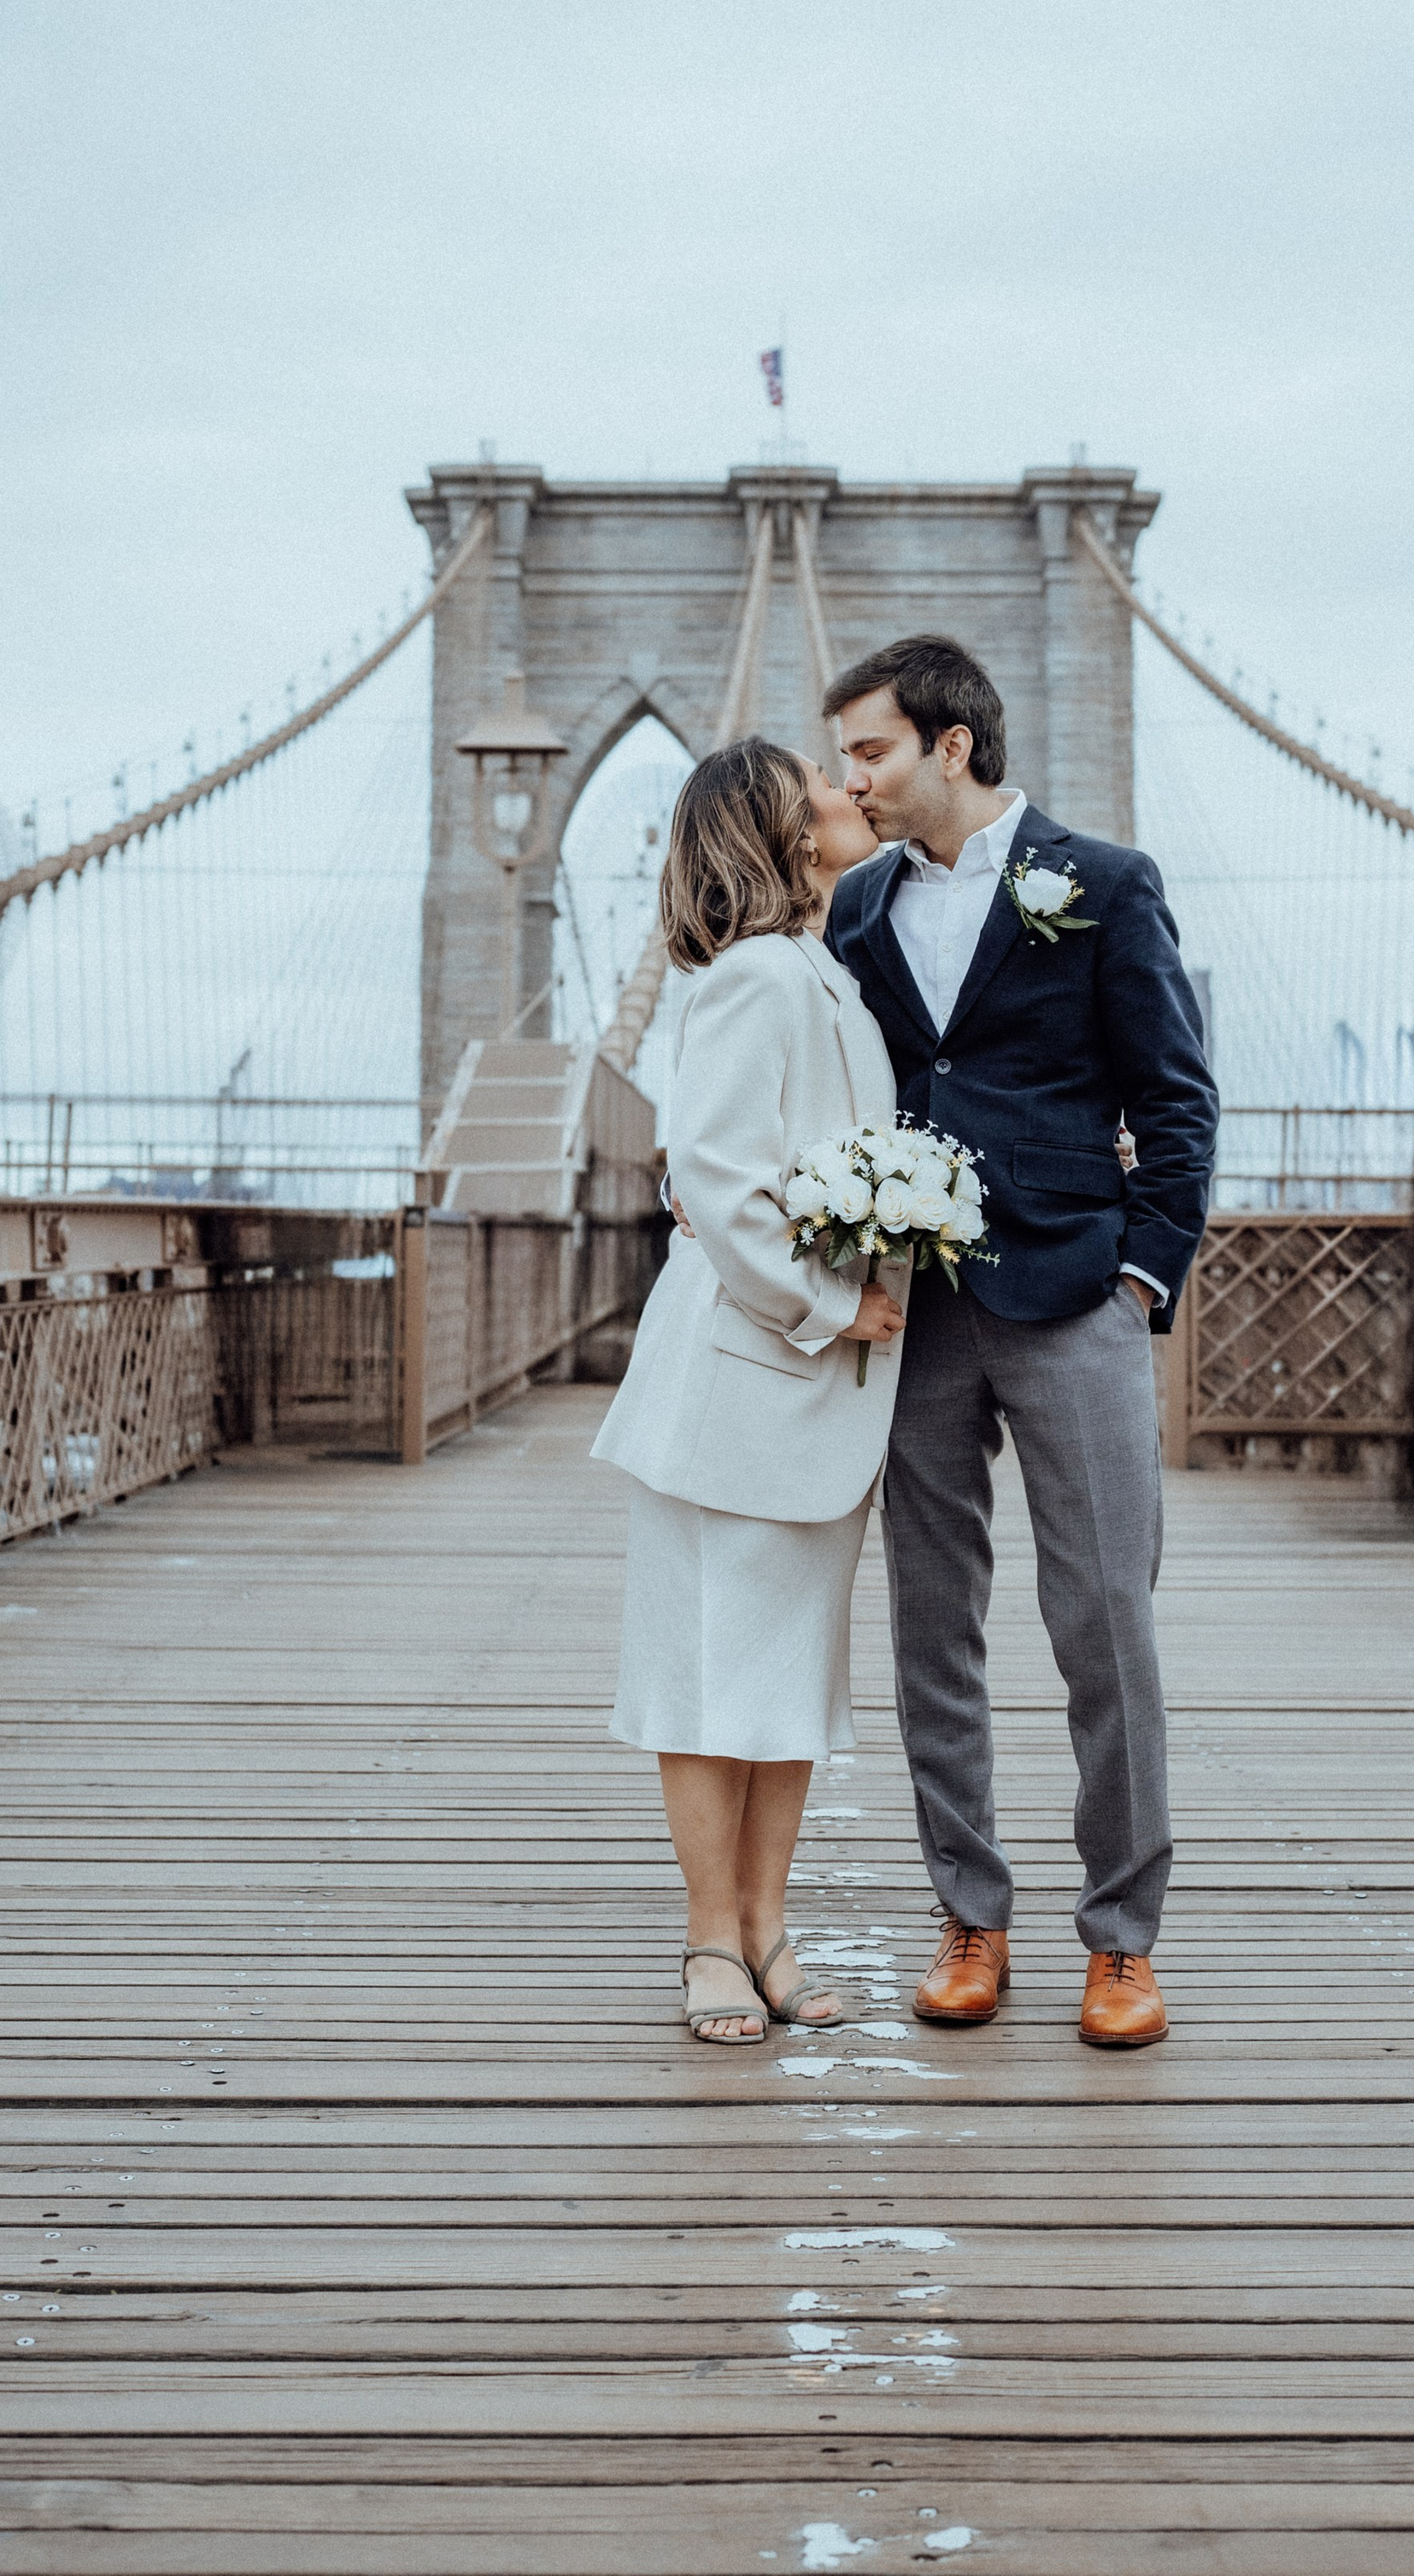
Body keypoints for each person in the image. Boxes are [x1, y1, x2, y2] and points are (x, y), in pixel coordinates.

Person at [824, 635, 1219, 2047]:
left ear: (951, 744)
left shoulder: (1103, 886)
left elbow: (1177, 1096)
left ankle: (1122, 1940)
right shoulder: (853, 908)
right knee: (931, 1625)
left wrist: (1143, 1277)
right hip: (914, 1311)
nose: (847, 778)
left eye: (868, 750)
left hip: (1074, 1298)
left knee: (1106, 1619)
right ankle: (968, 1920)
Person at [592, 735, 908, 2043]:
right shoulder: (750, 983)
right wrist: (840, 1303)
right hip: (733, 1389)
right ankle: (709, 1942)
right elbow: (718, 1186)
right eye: (821, 786)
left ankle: (771, 1930)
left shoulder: (826, 977)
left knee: (786, 1686)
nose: (849, 792)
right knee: (704, 1675)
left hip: (818, 1398)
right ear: (778, 836)